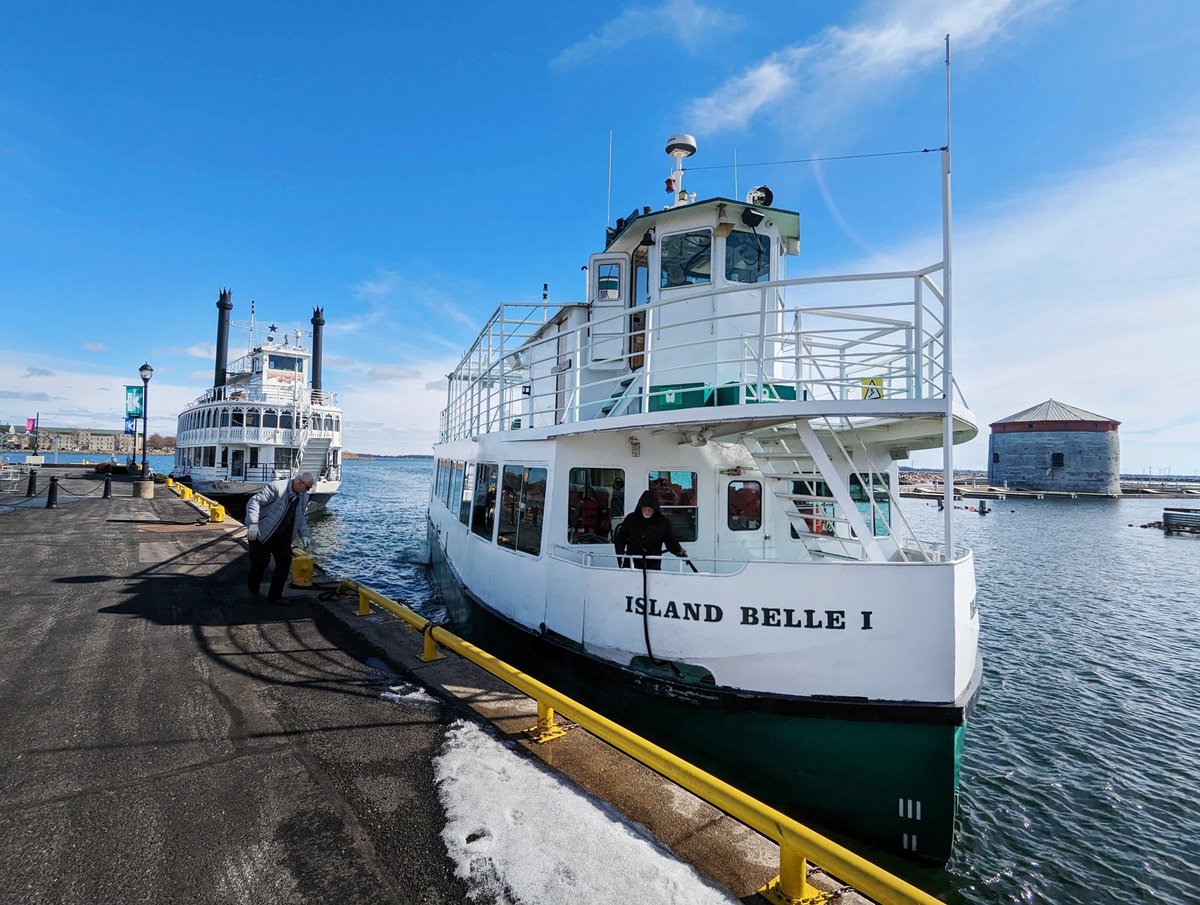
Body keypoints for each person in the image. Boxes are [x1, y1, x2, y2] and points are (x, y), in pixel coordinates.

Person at [245, 472, 314, 604]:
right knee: (261, 562)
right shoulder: (277, 487)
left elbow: (300, 517)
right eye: (307, 487)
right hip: (263, 531)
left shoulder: (303, 496)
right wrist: (253, 523)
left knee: (285, 562)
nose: (307, 491)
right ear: (300, 483)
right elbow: (254, 501)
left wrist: (304, 534)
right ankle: (253, 588)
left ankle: (276, 596)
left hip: (282, 535)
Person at [614, 489, 687, 570]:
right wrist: (621, 555)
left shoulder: (662, 522)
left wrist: (679, 552)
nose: (647, 511)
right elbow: (620, 539)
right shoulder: (631, 519)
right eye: (644, 509)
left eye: (649, 509)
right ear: (640, 508)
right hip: (632, 563)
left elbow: (670, 541)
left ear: (654, 509)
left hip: (653, 563)